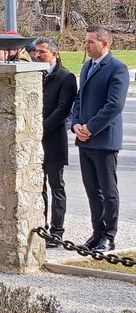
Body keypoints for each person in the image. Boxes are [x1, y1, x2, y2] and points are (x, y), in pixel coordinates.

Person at [71, 26, 129, 253]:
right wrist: (75, 124)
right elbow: (80, 99)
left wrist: (90, 128)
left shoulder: (117, 69)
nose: (85, 46)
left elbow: (114, 105)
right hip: (84, 139)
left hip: (104, 140)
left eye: (90, 42)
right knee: (91, 189)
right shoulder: (87, 66)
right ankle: (97, 232)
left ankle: (109, 235)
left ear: (104, 44)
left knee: (107, 189)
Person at [34, 37, 77, 247]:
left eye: (42, 52)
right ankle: (40, 225)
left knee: (56, 186)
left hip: (53, 139)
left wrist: (39, 129)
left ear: (54, 54)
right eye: (36, 52)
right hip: (34, 140)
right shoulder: (34, 73)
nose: (38, 55)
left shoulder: (65, 77)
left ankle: (57, 230)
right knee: (37, 186)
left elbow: (62, 110)